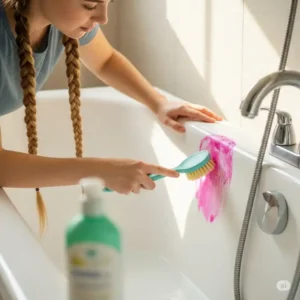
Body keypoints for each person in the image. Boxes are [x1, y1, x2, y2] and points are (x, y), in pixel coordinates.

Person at [0, 0, 222, 232]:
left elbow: (105, 60)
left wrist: (158, 103)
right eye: (89, 5)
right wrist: (97, 171)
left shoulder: (60, 22)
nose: (103, 18)